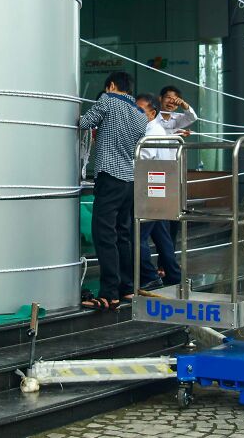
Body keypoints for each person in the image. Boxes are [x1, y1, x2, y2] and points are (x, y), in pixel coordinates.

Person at [79, 72, 147, 310]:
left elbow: (84, 123)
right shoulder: (140, 114)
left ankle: (109, 293)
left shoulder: (107, 100)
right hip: (129, 179)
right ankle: (126, 288)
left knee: (104, 235)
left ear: (111, 85)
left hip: (109, 176)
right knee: (123, 235)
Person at [135, 93, 182, 289]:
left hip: (151, 187)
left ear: (152, 112)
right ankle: (174, 274)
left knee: (138, 236)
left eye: (140, 111)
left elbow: (143, 159)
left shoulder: (151, 132)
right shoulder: (156, 129)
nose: (135, 114)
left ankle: (149, 275)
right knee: (161, 236)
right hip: (160, 186)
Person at [158, 85, 198, 251]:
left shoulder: (177, 118)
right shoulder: (152, 118)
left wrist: (184, 104)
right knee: (159, 216)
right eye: (168, 98)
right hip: (156, 170)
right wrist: (175, 134)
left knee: (174, 217)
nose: (171, 102)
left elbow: (193, 117)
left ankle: (167, 259)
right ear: (160, 98)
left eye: (175, 100)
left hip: (174, 172)